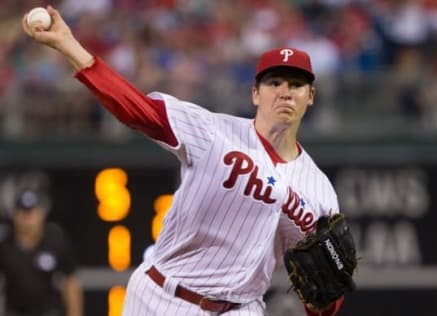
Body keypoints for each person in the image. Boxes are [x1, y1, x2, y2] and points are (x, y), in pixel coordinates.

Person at [22, 6, 346, 316]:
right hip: (163, 297)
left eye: (297, 84)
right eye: (274, 82)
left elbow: (324, 293)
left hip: (243, 308)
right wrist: (69, 45)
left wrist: (328, 301)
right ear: (255, 94)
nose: (285, 92)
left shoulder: (319, 192)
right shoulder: (212, 131)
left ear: (311, 95)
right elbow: (136, 109)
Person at [0, 187, 83, 316]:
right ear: (15, 215)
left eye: (31, 213)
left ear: (41, 214)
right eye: (23, 213)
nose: (27, 219)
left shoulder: (54, 241)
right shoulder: (5, 246)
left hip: (48, 312)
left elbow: (71, 280)